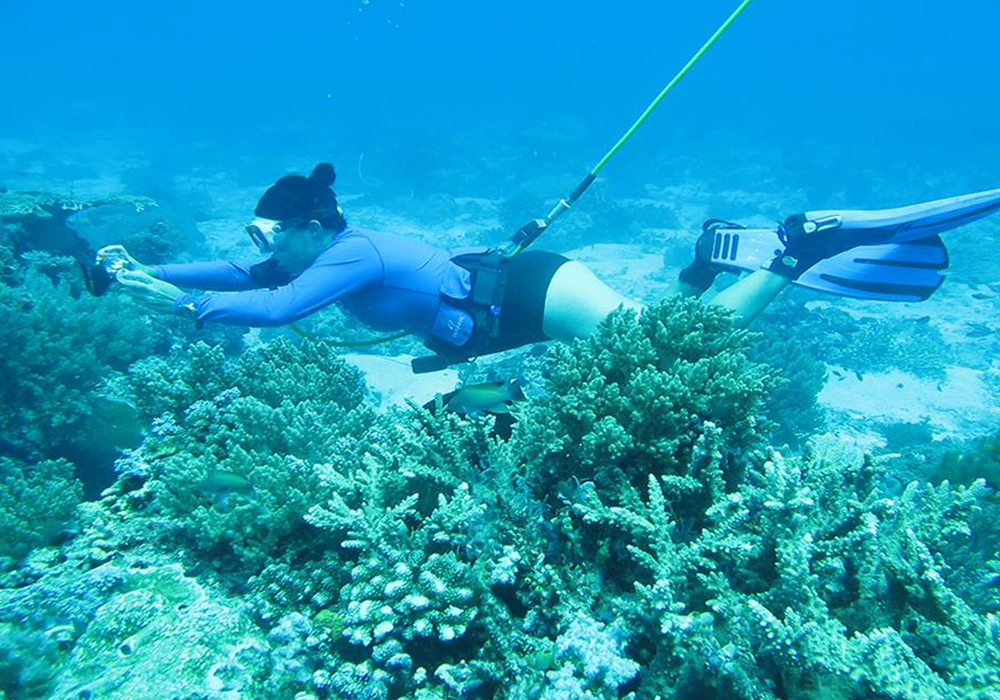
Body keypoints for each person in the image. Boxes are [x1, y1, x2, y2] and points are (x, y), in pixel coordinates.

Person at [102, 162, 1000, 373]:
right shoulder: (307, 253)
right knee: (653, 335)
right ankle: (702, 267)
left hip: (530, 290)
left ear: (304, 228)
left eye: (266, 236)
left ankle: (804, 247)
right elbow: (236, 275)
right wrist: (149, 272)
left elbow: (274, 311)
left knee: (674, 353)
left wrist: (167, 305)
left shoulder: (347, 255)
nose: (256, 251)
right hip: (506, 306)